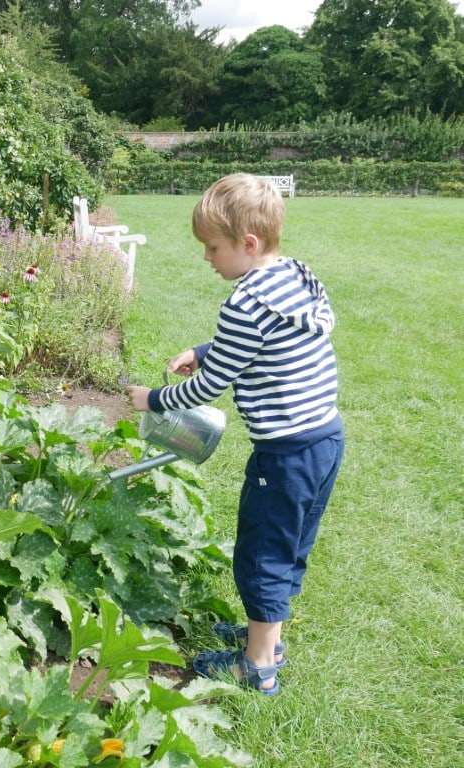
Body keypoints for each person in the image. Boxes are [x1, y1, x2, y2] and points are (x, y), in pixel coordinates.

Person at [125, 173, 344, 695]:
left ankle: (257, 667)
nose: (207, 258)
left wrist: (151, 400)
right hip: (324, 442)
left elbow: (209, 387)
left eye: (213, 248)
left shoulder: (245, 303)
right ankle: (266, 639)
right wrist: (203, 350)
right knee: (288, 549)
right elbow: (248, 345)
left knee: (261, 555)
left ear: (247, 244)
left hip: (285, 457)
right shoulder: (292, 275)